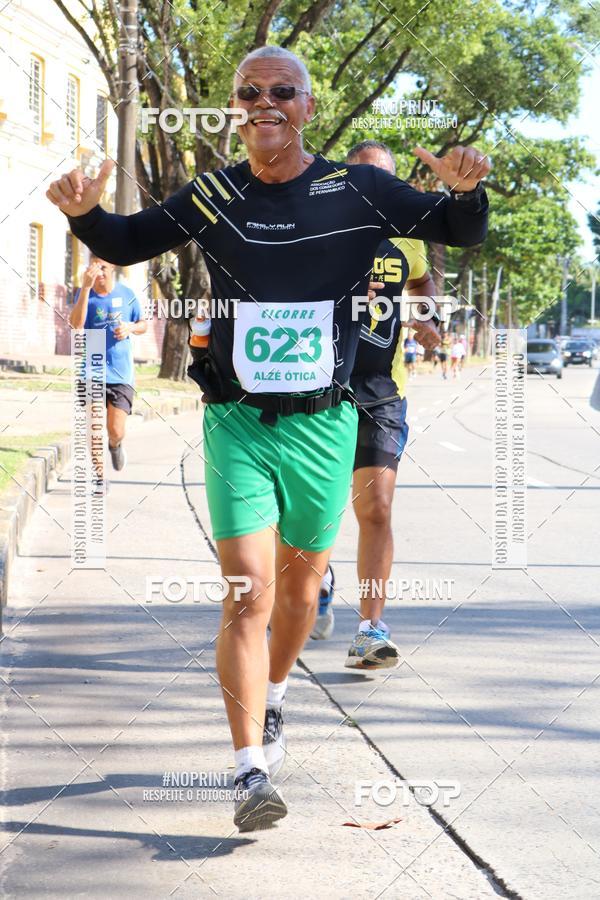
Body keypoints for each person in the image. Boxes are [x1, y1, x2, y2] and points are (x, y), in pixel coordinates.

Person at [46, 45, 490, 832]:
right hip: (238, 423)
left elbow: (457, 226)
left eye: (283, 91)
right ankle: (251, 769)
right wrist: (82, 212)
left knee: (294, 596)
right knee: (247, 588)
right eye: (250, 91)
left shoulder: (359, 189)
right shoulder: (215, 193)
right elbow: (124, 239)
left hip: (325, 423)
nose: (265, 102)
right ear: (235, 108)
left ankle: (277, 694)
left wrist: (466, 191)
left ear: (308, 107)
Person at [310, 140, 439, 669]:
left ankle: (369, 629)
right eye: (363, 179)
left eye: (384, 182)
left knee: (376, 509)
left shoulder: (407, 240)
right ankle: (316, 582)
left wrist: (429, 318)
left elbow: (423, 280)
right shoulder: (318, 227)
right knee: (312, 514)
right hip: (317, 385)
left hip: (382, 390)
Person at [69, 256, 147, 489]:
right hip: (92, 366)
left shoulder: (126, 294)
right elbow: (76, 325)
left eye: (102, 267)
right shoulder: (86, 294)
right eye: (93, 268)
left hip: (121, 372)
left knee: (115, 430)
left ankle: (115, 445)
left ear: (113, 266)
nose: (98, 272)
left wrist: (130, 328)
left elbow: (142, 323)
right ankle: (100, 478)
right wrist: (84, 287)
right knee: (93, 426)